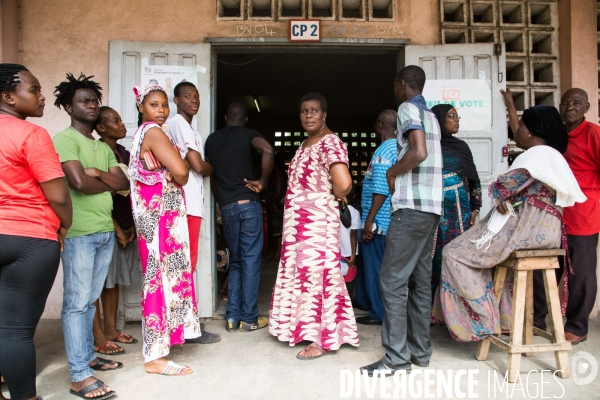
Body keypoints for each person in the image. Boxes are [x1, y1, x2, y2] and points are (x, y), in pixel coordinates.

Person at [439, 102, 585, 343]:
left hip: (523, 232)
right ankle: (505, 320)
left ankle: (484, 320)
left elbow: (503, 186)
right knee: (488, 260)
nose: (516, 130)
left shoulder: (535, 156)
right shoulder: (553, 157)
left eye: (521, 126)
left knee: (453, 253)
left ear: (530, 132)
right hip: (545, 234)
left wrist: (498, 193)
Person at [361, 66, 443, 376]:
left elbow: (418, 152)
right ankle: (420, 352)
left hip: (410, 208)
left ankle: (395, 359)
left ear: (401, 83)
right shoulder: (432, 115)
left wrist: (393, 171)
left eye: (395, 85)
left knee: (392, 280)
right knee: (420, 282)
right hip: (431, 209)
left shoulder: (408, 108)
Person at [53, 73, 129, 399]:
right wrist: (103, 181)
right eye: (85, 101)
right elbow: (78, 184)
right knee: (76, 304)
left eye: (95, 100)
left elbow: (123, 185)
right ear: (69, 106)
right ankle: (79, 375)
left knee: (87, 304)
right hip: (80, 232)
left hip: (102, 231)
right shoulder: (65, 139)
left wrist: (97, 177)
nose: (92, 105)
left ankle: (87, 359)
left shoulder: (102, 147)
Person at [0, 64, 72, 400]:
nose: (42, 96)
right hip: (30, 237)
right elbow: (58, 194)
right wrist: (64, 225)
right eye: (34, 90)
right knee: (15, 331)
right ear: (8, 97)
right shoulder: (31, 135)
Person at [269, 93, 358, 360]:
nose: (309, 115)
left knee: (319, 277)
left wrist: (321, 198)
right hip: (298, 227)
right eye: (304, 111)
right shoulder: (307, 143)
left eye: (315, 111)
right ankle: (302, 329)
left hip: (316, 226)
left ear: (324, 115)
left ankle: (324, 339)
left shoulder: (330, 142)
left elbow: (342, 185)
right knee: (302, 277)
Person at [128, 84, 201, 375]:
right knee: (159, 280)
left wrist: (166, 163)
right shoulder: (154, 133)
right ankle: (154, 358)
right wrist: (175, 164)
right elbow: (183, 174)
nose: (160, 111)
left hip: (154, 220)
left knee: (161, 278)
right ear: (141, 108)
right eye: (153, 105)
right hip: (160, 222)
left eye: (163, 105)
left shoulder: (141, 136)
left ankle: (163, 343)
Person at [532, 88, 600, 345]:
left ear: (587, 107)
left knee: (580, 274)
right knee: (542, 267)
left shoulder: (594, 134)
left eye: (576, 103)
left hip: (583, 214)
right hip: (553, 214)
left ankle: (577, 326)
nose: (570, 107)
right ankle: (536, 319)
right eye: (565, 103)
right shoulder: (556, 135)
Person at [205, 101, 274, 333]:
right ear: (245, 119)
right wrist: (262, 182)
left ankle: (232, 318)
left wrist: (221, 199)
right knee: (251, 261)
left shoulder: (211, 140)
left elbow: (211, 175)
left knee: (235, 261)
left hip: (227, 207)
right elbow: (268, 150)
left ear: (225, 117)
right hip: (248, 204)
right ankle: (250, 318)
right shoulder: (249, 134)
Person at [166, 81, 220, 344]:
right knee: (186, 265)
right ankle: (187, 326)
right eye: (187, 96)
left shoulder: (190, 128)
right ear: (176, 100)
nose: (193, 100)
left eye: (196, 96)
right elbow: (199, 166)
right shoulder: (178, 123)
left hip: (192, 205)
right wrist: (211, 166)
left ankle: (187, 324)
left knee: (188, 264)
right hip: (185, 205)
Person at [91, 106, 140, 356]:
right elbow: (99, 194)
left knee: (114, 281)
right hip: (107, 224)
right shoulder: (97, 152)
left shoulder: (124, 152)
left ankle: (111, 330)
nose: (122, 125)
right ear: (101, 128)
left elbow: (130, 190)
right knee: (99, 283)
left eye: (121, 120)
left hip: (125, 223)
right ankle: (98, 334)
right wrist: (118, 228)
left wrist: (130, 225)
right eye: (116, 121)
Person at [429, 104, 481, 323]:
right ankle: (434, 312)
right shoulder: (428, 146)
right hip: (433, 211)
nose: (456, 120)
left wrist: (476, 206)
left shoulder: (462, 147)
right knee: (432, 258)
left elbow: (473, 178)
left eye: (457, 116)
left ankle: (459, 311)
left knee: (456, 256)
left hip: (459, 211)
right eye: (450, 116)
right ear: (439, 120)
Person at [358, 109, 398, 326]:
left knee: (376, 270)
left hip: (379, 222)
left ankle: (378, 313)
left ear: (380, 126)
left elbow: (381, 188)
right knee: (380, 268)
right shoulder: (396, 148)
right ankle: (372, 306)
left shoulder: (384, 150)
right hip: (387, 221)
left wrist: (369, 222)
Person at [265, 156, 287, 262]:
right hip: (280, 206)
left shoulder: (278, 176)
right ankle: (279, 253)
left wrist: (267, 202)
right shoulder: (283, 175)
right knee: (279, 231)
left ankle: (277, 254)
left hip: (276, 207)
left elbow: (277, 193)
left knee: (278, 232)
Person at [340, 183, 361, 283]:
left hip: (336, 251)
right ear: (354, 196)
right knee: (348, 280)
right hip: (348, 252)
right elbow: (353, 234)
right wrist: (353, 257)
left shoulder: (334, 209)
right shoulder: (355, 212)